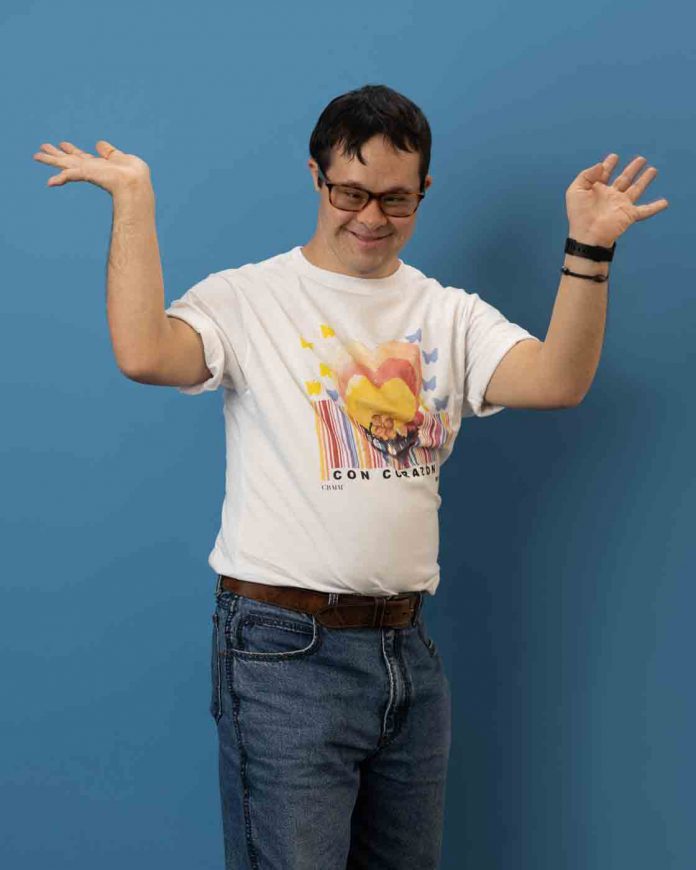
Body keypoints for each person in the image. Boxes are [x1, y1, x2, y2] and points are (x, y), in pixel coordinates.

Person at [33, 83, 667, 869]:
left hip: (407, 653)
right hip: (283, 653)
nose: (371, 217)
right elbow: (145, 354)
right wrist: (135, 201)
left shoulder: (448, 313)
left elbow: (557, 381)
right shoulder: (248, 298)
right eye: (350, 193)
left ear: (424, 191)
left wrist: (589, 251)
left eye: (396, 199)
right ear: (316, 177)